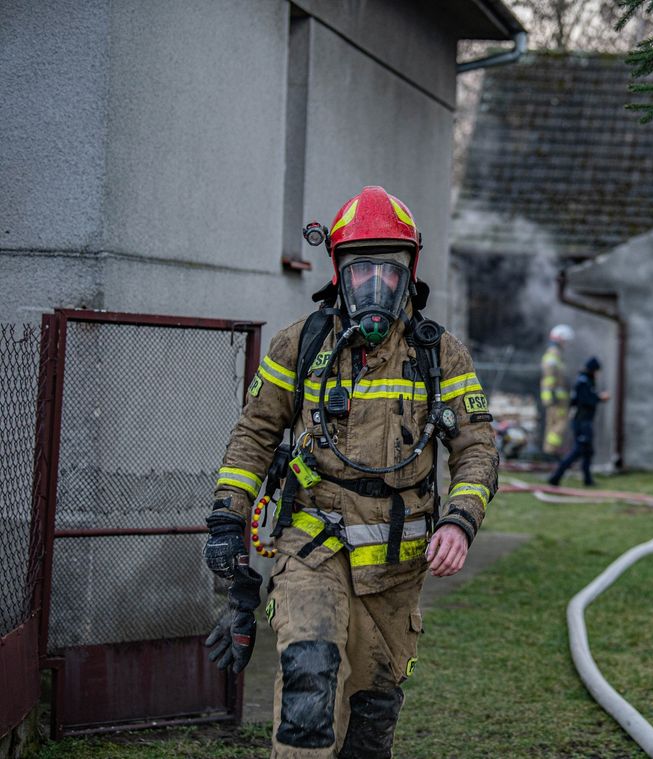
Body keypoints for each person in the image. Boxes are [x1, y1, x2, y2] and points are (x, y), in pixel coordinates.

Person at [203, 186, 499, 759]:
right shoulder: (302, 344)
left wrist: (460, 522)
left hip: (397, 564)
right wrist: (226, 519)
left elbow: (478, 447)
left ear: (409, 272)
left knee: (369, 722)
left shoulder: (439, 356)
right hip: (311, 544)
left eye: (387, 273)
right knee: (309, 691)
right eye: (360, 271)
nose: (373, 287)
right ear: (338, 272)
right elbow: (254, 436)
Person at [547, 356, 609, 487]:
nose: (598, 375)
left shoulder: (585, 381)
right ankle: (556, 476)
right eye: (597, 371)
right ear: (593, 370)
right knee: (578, 451)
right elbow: (586, 401)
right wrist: (600, 397)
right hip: (582, 422)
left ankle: (588, 480)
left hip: (584, 421)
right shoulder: (583, 382)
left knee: (588, 451)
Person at [540, 324, 574, 457]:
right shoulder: (554, 354)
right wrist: (550, 395)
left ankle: (549, 450)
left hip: (556, 397)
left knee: (552, 423)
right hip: (557, 398)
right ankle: (551, 450)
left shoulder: (555, 353)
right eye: (565, 341)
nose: (566, 344)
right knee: (560, 424)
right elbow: (549, 376)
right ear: (560, 339)